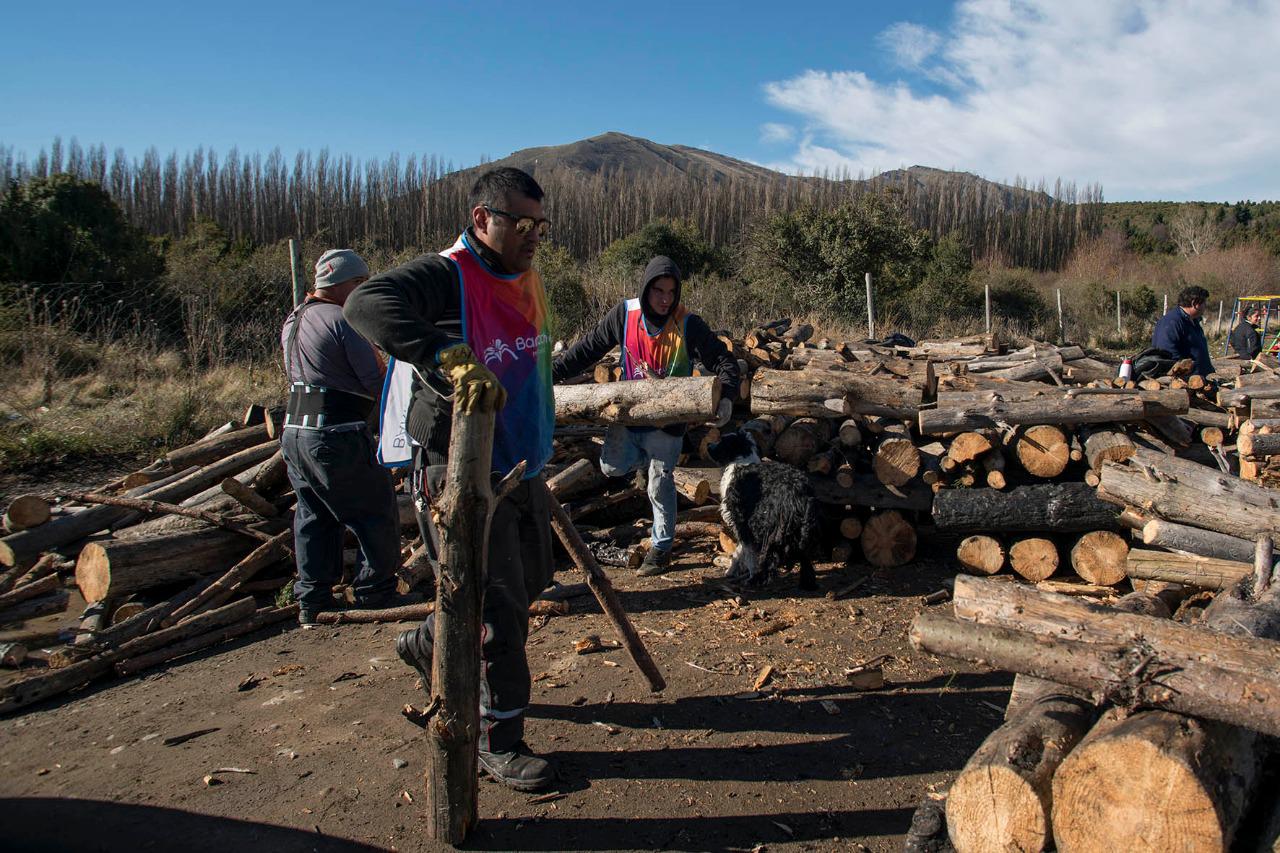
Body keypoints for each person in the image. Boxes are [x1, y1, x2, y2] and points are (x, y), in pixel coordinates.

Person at [343, 167, 557, 792]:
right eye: (522, 224)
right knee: (498, 607)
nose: (533, 236)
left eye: (540, 226)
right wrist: (444, 354)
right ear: (483, 217)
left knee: (532, 579)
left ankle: (429, 641)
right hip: (459, 468)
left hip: (519, 460)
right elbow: (364, 304)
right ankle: (497, 736)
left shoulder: (523, 278)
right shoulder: (447, 274)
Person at [551, 255, 740, 576]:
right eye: (658, 291)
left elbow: (723, 360)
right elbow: (587, 349)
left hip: (668, 424)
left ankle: (661, 549)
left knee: (659, 484)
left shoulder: (688, 323)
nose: (665, 299)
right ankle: (642, 467)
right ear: (645, 289)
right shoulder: (625, 315)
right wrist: (549, 374)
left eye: (671, 292)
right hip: (629, 415)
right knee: (611, 467)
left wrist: (728, 396)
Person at [280, 249, 403, 627]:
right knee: (375, 511)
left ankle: (312, 600)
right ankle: (373, 593)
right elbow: (375, 380)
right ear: (342, 284)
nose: (361, 290)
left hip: (295, 433)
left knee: (314, 515)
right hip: (338, 433)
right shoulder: (344, 320)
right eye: (358, 283)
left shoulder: (294, 319)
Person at [1151, 284, 1214, 378]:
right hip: (1184, 382)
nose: (1205, 306)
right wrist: (1187, 373)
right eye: (1204, 303)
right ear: (1194, 303)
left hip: (1199, 379)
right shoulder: (1171, 322)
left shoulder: (1193, 321)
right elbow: (1166, 352)